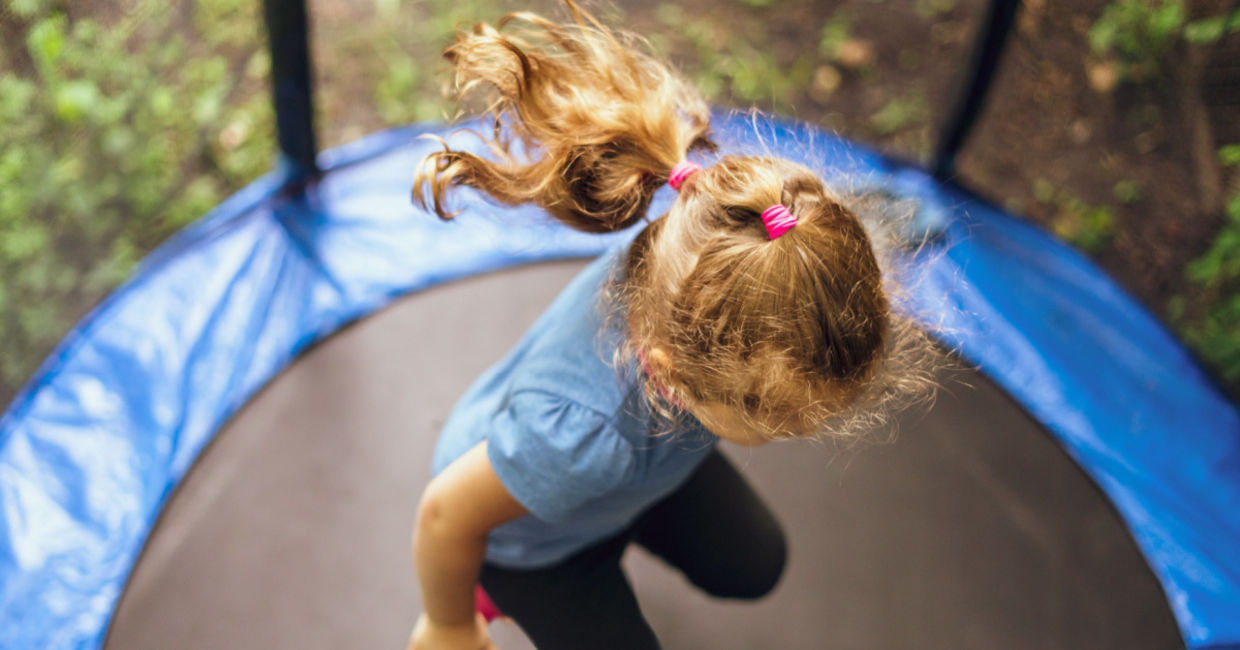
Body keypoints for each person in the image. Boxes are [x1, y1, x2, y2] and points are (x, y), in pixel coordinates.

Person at [407, 2, 938, 648]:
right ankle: (498, 591)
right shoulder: (574, 438)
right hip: (530, 540)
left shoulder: (714, 270)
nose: (788, 433)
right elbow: (442, 517)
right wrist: (447, 623)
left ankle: (623, 515)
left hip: (628, 477)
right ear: (673, 375)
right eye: (773, 416)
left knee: (754, 562)